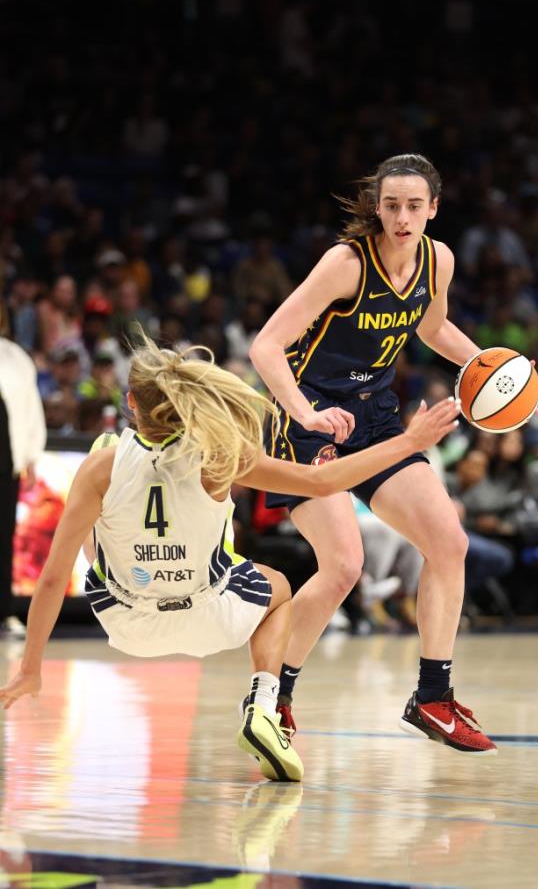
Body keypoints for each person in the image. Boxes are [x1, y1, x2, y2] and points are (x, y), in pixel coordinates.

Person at [0, 331, 460, 782]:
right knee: (279, 590)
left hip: (126, 620)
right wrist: (408, 443)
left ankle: (131, 550)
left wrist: (30, 668)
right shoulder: (219, 455)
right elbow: (324, 482)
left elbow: (52, 576)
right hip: (209, 614)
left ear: (130, 403)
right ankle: (264, 703)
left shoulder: (101, 466)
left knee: (102, 494)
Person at [249, 152, 533, 755]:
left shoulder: (439, 261)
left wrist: (497, 368)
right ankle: (275, 698)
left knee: (449, 543)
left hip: (376, 416)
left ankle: (432, 696)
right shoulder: (345, 264)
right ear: (377, 208)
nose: (403, 218)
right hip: (306, 418)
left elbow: (432, 330)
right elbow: (266, 346)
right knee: (344, 566)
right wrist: (307, 413)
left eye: (414, 206)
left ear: (434, 208)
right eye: (392, 205)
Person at [0, 307, 47, 635]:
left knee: (5, 539)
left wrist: (31, 454)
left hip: (7, 461)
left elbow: (31, 408)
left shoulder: (16, 358)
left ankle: (5, 612)